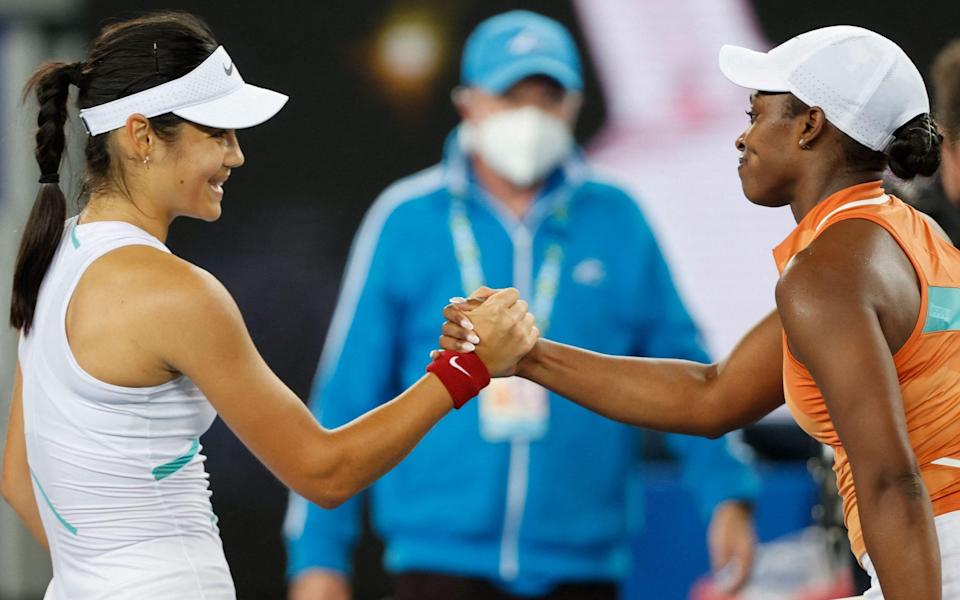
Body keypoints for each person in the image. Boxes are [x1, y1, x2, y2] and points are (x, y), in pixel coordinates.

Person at [0, 11, 536, 599]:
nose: (236, 156)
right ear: (141, 136)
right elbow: (324, 471)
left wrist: (108, 577)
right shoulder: (176, 292)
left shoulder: (55, 255)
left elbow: (18, 479)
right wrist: (469, 369)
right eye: (217, 134)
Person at [441, 25, 959, 600]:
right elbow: (711, 396)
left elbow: (892, 480)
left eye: (756, 115)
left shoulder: (828, 275)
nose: (742, 139)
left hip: (936, 557)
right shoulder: (906, 234)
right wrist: (528, 357)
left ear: (811, 125)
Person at [284, 11, 758, 600]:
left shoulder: (619, 217)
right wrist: (318, 558)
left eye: (547, 95)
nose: (530, 114)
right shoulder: (406, 219)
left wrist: (726, 495)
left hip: (584, 567)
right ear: (468, 104)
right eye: (511, 95)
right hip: (436, 561)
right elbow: (347, 394)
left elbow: (686, 369)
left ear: (575, 104)